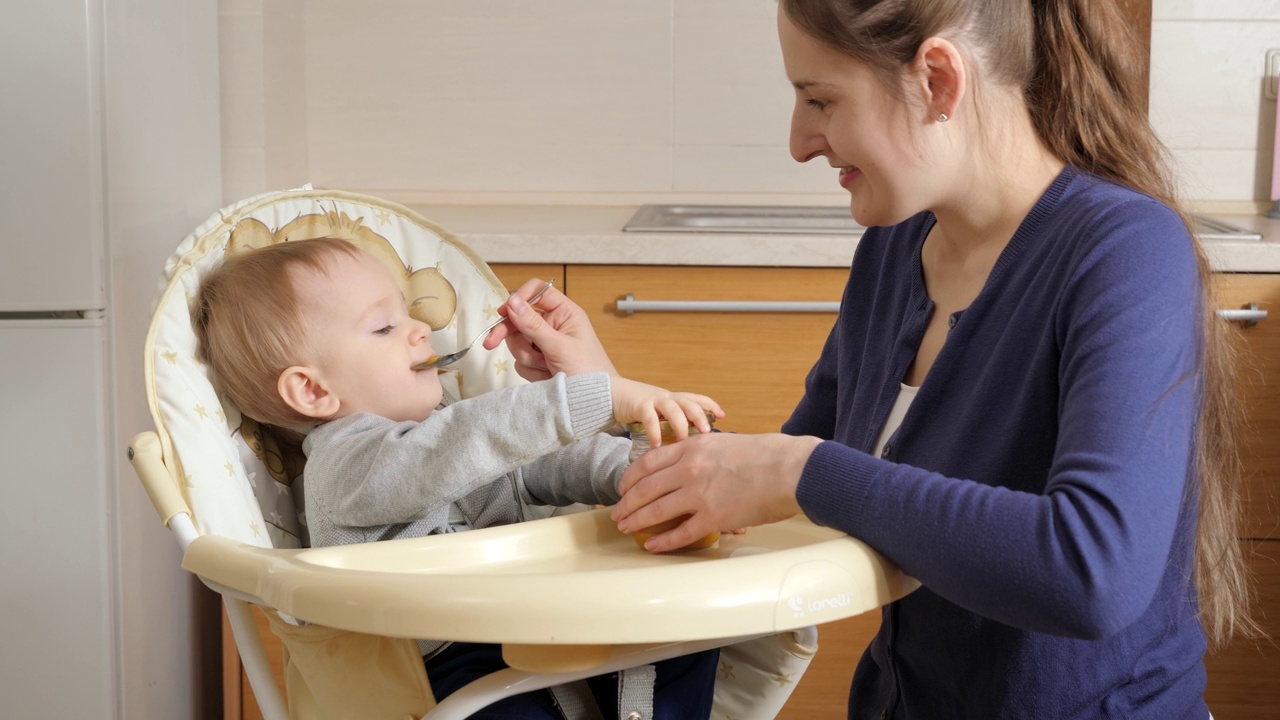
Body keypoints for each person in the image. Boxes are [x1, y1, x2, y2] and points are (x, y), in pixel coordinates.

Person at [492, 1, 1262, 718]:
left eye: (820, 99)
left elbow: (1092, 572)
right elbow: (767, 496)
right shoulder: (893, 253)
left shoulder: (1123, 250)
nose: (798, 141)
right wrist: (605, 390)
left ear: (937, 79)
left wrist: (800, 471)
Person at [191, 236, 724, 720]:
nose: (420, 329)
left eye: (407, 314)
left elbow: (552, 463)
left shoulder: (452, 428)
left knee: (687, 631)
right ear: (312, 392)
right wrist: (598, 394)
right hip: (443, 672)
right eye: (384, 327)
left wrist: (658, 475)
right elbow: (459, 446)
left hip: (535, 633)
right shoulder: (344, 466)